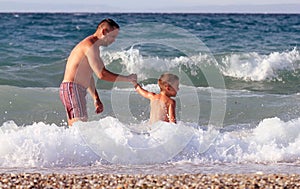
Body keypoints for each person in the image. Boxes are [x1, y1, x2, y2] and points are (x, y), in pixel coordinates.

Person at [60, 18, 137, 126]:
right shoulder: (90, 45)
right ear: (104, 32)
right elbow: (102, 74)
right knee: (78, 127)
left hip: (75, 89)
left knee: (78, 127)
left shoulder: (92, 46)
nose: (113, 40)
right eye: (113, 37)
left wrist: (96, 98)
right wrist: (127, 78)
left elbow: (88, 75)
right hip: (72, 88)